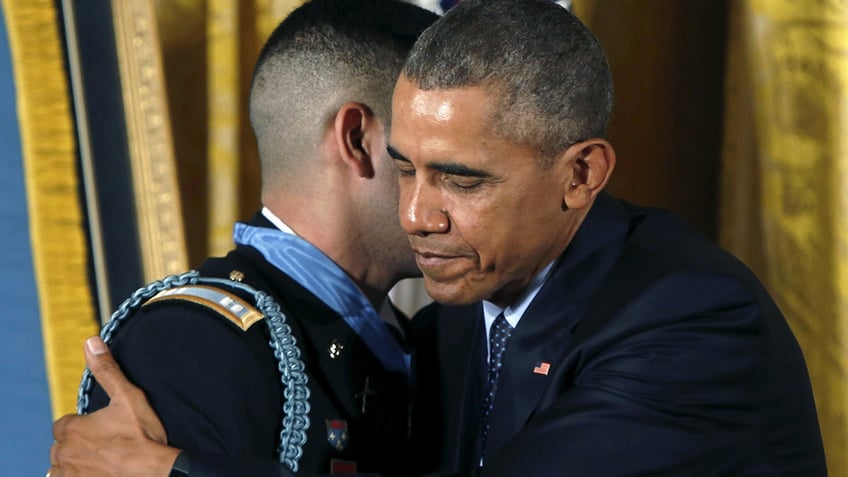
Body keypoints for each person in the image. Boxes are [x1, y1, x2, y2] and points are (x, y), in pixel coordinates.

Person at [51, 0, 827, 476]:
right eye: (404, 169)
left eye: (462, 179)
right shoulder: (451, 318)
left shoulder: (689, 321)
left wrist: (173, 471)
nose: (420, 213)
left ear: (581, 174)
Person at [49, 0, 439, 476]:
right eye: (442, 151)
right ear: (357, 139)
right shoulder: (190, 340)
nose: (468, 184)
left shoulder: (440, 338)